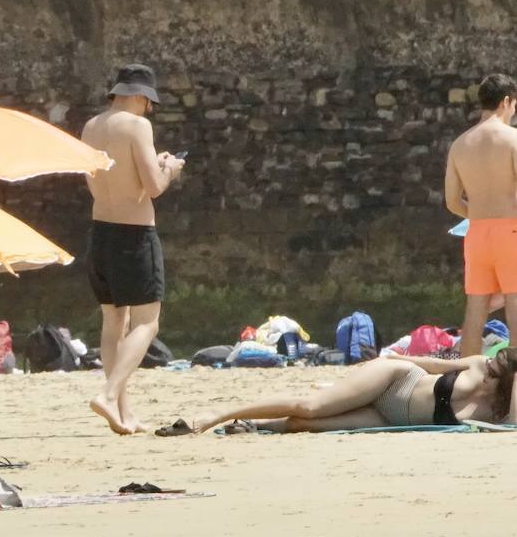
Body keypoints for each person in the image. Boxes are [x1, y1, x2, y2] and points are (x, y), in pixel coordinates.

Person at [80, 65, 183, 435]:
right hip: (135, 235)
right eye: (148, 103)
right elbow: (152, 187)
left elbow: (104, 182)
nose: (149, 111)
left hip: (100, 233)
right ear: (141, 96)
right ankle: (108, 396)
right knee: (148, 322)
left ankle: (123, 413)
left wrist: (150, 170)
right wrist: (169, 167)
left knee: (114, 322)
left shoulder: (90, 128)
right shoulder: (138, 126)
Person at [155, 351, 517, 435]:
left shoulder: (506, 412)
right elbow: (431, 363)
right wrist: (390, 357)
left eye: (496, 375)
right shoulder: (478, 363)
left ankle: (252, 426)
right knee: (310, 407)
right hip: (395, 380)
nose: (487, 373)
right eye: (491, 367)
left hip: (389, 418)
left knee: (303, 426)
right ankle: (212, 416)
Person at [445, 73, 517, 357]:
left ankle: (465, 379)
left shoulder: (460, 145)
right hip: (511, 231)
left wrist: (475, 214)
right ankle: (514, 380)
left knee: (476, 308)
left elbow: (451, 200)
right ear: (506, 102)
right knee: (514, 302)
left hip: (476, 233)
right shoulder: (512, 139)